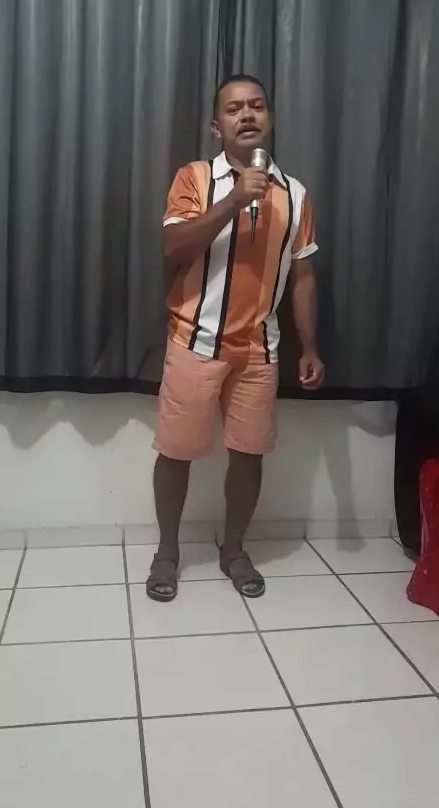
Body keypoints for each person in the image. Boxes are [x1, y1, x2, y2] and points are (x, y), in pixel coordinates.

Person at [147, 74, 324, 602]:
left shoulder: (296, 194)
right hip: (195, 342)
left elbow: (303, 276)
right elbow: (173, 247)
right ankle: (167, 552)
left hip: (261, 350)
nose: (247, 114)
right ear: (216, 126)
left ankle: (234, 550)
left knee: (249, 455)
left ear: (269, 118)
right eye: (234, 109)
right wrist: (232, 200)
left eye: (257, 106)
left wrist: (310, 346)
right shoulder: (195, 178)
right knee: (175, 453)